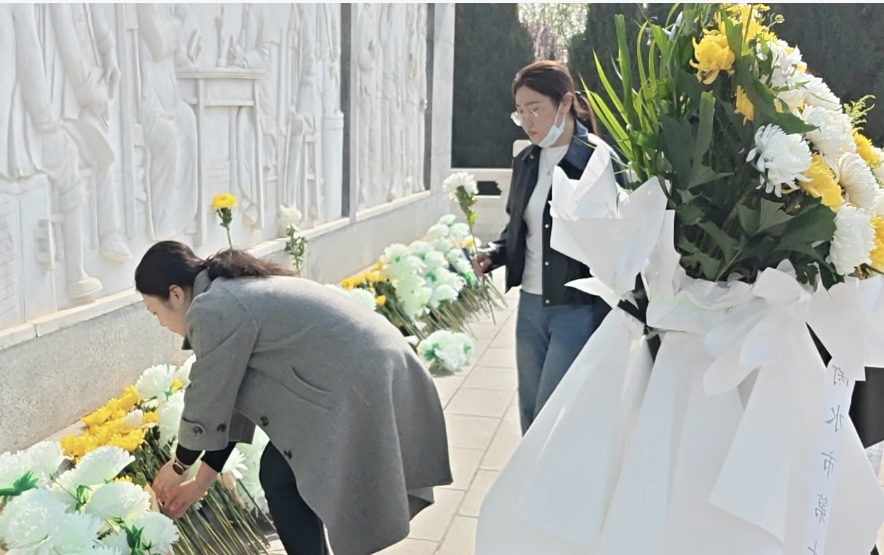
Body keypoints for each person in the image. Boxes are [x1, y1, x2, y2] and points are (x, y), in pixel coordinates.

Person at [136, 241, 452, 555]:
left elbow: (206, 399)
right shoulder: (228, 290)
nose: (162, 323)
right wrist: (200, 483)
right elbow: (227, 403)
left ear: (175, 294)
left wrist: (179, 465)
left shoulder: (212, 308)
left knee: (279, 476)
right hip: (376, 367)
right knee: (280, 474)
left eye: (155, 312)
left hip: (362, 380)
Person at [473, 61, 610, 434]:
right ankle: (527, 475)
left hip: (576, 306)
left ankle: (554, 473)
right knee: (530, 409)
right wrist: (495, 253)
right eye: (520, 112)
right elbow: (518, 226)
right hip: (530, 305)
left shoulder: (597, 160)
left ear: (565, 102)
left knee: (552, 415)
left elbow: (617, 238)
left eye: (535, 109)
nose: (527, 121)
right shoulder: (526, 161)